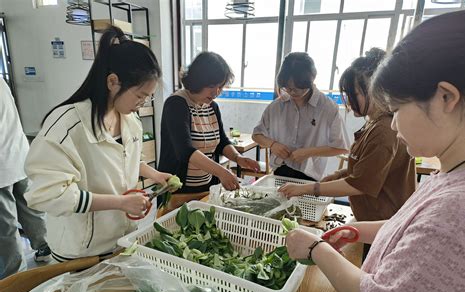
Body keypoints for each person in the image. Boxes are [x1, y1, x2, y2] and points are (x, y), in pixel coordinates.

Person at [286, 8, 465, 292]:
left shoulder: (461, 207)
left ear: (446, 98)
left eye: (399, 110)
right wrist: (360, 229)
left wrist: (316, 249)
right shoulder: (451, 173)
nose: (395, 124)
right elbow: (411, 226)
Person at [25, 27, 174, 262]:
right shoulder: (67, 126)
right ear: (113, 82)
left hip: (121, 237)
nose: (142, 103)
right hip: (81, 250)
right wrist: (121, 202)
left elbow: (128, 158)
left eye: (148, 97)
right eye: (139, 95)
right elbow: (49, 195)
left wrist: (154, 174)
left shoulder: (129, 120)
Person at [280, 48, 416, 259]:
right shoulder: (373, 124)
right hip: (370, 221)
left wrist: (307, 188)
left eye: (354, 93)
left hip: (384, 225)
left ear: (374, 89)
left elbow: (358, 184)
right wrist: (334, 177)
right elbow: (360, 170)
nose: (348, 101)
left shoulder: (384, 131)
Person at [158, 51, 259, 206]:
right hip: (178, 190)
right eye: (211, 86)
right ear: (197, 81)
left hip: (206, 187)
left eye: (220, 86)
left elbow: (222, 142)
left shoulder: (212, 106)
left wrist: (238, 158)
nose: (216, 92)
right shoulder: (176, 104)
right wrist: (221, 172)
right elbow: (185, 151)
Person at [252, 52, 350, 181]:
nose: (292, 92)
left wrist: (308, 152)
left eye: (297, 88)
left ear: (312, 78)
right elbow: (257, 135)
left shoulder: (327, 108)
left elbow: (341, 147)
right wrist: (273, 144)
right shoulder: (277, 106)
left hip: (311, 177)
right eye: (287, 88)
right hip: (280, 171)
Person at [0, 78, 50, 279]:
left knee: (6, 225)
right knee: (31, 207)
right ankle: (44, 247)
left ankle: (16, 273)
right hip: (18, 154)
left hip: (3, 164)